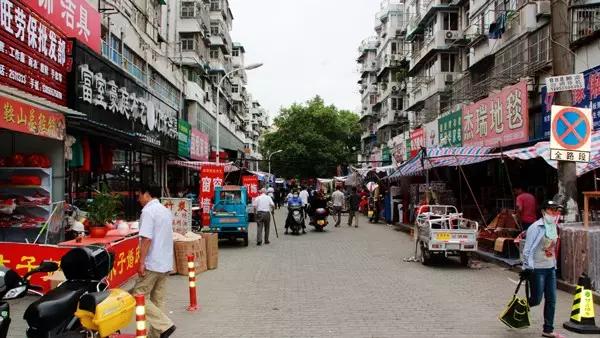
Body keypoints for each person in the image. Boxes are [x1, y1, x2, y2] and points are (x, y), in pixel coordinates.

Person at [134, 184, 176, 338]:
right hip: (165, 262)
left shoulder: (148, 211)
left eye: (139, 195)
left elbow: (146, 239)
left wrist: (141, 262)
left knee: (138, 295)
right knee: (157, 300)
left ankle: (165, 326)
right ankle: (156, 335)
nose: (138, 199)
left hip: (153, 262)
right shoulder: (165, 211)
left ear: (147, 194)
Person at [521, 200, 564, 338]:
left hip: (550, 268)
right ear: (543, 211)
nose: (554, 213)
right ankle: (519, 308)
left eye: (555, 210)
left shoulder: (554, 227)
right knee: (536, 299)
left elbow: (552, 248)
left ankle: (548, 329)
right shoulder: (535, 227)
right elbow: (527, 250)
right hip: (537, 269)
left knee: (551, 300)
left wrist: (554, 264)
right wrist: (527, 268)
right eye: (551, 210)